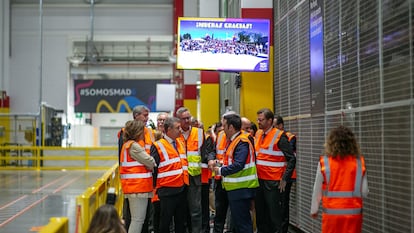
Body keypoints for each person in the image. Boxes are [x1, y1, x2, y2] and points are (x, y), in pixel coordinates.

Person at [310, 125, 368, 233]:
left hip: (331, 215)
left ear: (331, 142)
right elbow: (364, 191)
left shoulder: (325, 162)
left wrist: (314, 209)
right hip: (353, 215)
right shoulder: (359, 163)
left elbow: (317, 189)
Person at [213, 113, 259, 233]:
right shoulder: (234, 140)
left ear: (231, 127)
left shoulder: (241, 141)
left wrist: (220, 170)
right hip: (237, 188)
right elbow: (230, 161)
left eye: (224, 126)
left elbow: (239, 164)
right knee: (239, 224)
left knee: (243, 224)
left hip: (241, 188)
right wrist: (218, 163)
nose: (223, 129)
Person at [254, 108, 296, 233]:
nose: (258, 122)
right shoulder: (258, 134)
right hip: (259, 180)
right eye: (258, 119)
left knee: (274, 217)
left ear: (270, 121)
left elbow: (291, 159)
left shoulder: (279, 136)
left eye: (261, 120)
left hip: (273, 182)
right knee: (261, 215)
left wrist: (285, 178)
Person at [118, 105, 155, 232]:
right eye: (144, 115)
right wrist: (149, 162)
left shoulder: (127, 145)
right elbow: (151, 161)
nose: (147, 118)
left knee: (137, 219)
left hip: (135, 187)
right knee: (137, 220)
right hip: (138, 187)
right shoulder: (133, 146)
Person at [150, 117, 189, 233]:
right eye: (177, 128)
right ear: (168, 129)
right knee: (165, 223)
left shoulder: (180, 142)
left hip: (182, 188)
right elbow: (154, 169)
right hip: (166, 191)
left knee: (181, 223)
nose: (180, 130)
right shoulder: (158, 146)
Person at [176, 107, 207, 233]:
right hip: (178, 177)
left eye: (189, 117)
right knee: (180, 210)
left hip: (194, 177)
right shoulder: (174, 133)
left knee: (196, 210)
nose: (187, 121)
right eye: (184, 119)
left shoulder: (199, 132)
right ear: (178, 120)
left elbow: (204, 152)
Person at [274, 115, 296, 233]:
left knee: (283, 204)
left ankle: (283, 230)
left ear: (280, 126)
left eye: (274, 126)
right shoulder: (269, 136)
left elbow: (289, 156)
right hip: (274, 176)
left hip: (286, 177)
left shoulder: (289, 137)